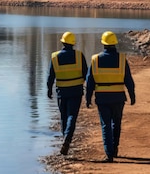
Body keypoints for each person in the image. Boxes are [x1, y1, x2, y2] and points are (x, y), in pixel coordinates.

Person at [85, 31, 136, 162]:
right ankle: (115, 148)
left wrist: (87, 97)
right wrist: (132, 95)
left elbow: (90, 81)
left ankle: (109, 153)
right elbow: (128, 80)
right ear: (114, 44)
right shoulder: (121, 59)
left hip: (102, 98)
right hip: (119, 98)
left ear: (103, 44)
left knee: (105, 125)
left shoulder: (95, 59)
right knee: (116, 123)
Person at [47, 31, 88, 155]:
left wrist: (49, 89)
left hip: (61, 92)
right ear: (73, 43)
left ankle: (65, 138)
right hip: (76, 91)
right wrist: (91, 91)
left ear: (62, 42)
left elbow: (50, 76)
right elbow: (86, 74)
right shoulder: (79, 55)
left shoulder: (55, 56)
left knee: (63, 116)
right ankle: (67, 139)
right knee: (72, 116)